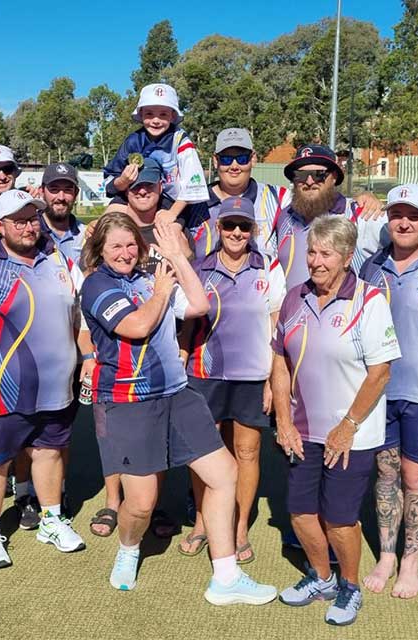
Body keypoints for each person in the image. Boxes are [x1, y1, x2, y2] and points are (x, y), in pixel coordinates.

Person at [81, 212, 276, 605]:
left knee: (224, 474)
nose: (125, 252)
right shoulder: (96, 285)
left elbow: (200, 305)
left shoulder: (150, 276)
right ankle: (129, 548)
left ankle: (225, 576)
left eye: (131, 243)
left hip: (177, 393)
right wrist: (159, 291)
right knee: (141, 504)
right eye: (116, 245)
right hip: (129, 401)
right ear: (100, 250)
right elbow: (136, 325)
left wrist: (177, 257)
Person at [0, 189, 88, 569]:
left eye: (33, 218)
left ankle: (51, 520)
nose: (29, 227)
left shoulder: (57, 259)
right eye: (19, 220)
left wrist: (87, 358)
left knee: (49, 452)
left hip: (58, 386)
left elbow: (76, 318)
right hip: (1, 387)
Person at [271, 215, 401, 626]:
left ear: (347, 257)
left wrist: (347, 426)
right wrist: (283, 418)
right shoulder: (294, 298)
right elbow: (279, 359)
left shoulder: (369, 300)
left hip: (351, 434)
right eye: (311, 251)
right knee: (300, 512)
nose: (315, 261)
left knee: (341, 519)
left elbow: (381, 372)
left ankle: (349, 586)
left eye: (326, 253)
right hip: (302, 428)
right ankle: (322, 577)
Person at [86, 158, 193, 538]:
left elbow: (189, 298)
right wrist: (86, 353)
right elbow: (94, 304)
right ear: (126, 190)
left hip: (162, 350)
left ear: (162, 187)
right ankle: (114, 503)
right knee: (113, 436)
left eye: (150, 185)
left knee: (153, 441)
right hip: (116, 363)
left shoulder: (172, 228)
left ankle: (153, 505)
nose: (143, 192)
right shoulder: (108, 227)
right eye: (136, 187)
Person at [178, 196, 286, 564]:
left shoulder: (267, 266)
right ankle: (202, 523)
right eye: (229, 225)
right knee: (204, 453)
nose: (237, 232)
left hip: (253, 376)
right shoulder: (201, 267)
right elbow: (189, 320)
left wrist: (273, 380)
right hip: (205, 373)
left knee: (247, 452)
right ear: (217, 228)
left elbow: (276, 326)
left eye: (244, 226)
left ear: (253, 229)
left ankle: (239, 528)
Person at [358, 184, 418, 598]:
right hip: (381, 390)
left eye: (414, 214)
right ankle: (388, 555)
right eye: (397, 213)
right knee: (385, 474)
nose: (404, 222)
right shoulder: (371, 267)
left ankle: (411, 561)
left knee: (416, 477)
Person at [274, 145, 418, 293]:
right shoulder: (285, 217)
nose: (309, 181)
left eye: (319, 175)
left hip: (345, 326)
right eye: (300, 175)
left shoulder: (361, 215)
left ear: (334, 177)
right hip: (296, 325)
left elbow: (407, 234)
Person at [103, 83, 209, 221]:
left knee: (170, 230)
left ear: (172, 116)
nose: (156, 120)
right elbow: (109, 182)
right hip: (140, 196)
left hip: (174, 202)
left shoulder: (180, 141)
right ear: (141, 114)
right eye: (149, 114)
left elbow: (193, 183)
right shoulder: (133, 141)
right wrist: (122, 181)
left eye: (163, 114)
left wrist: (172, 213)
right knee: (108, 222)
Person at [37, 162, 87, 266]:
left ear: (76, 193)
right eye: (54, 189)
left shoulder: (86, 235)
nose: (61, 197)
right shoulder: (28, 232)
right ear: (41, 191)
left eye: (67, 190)